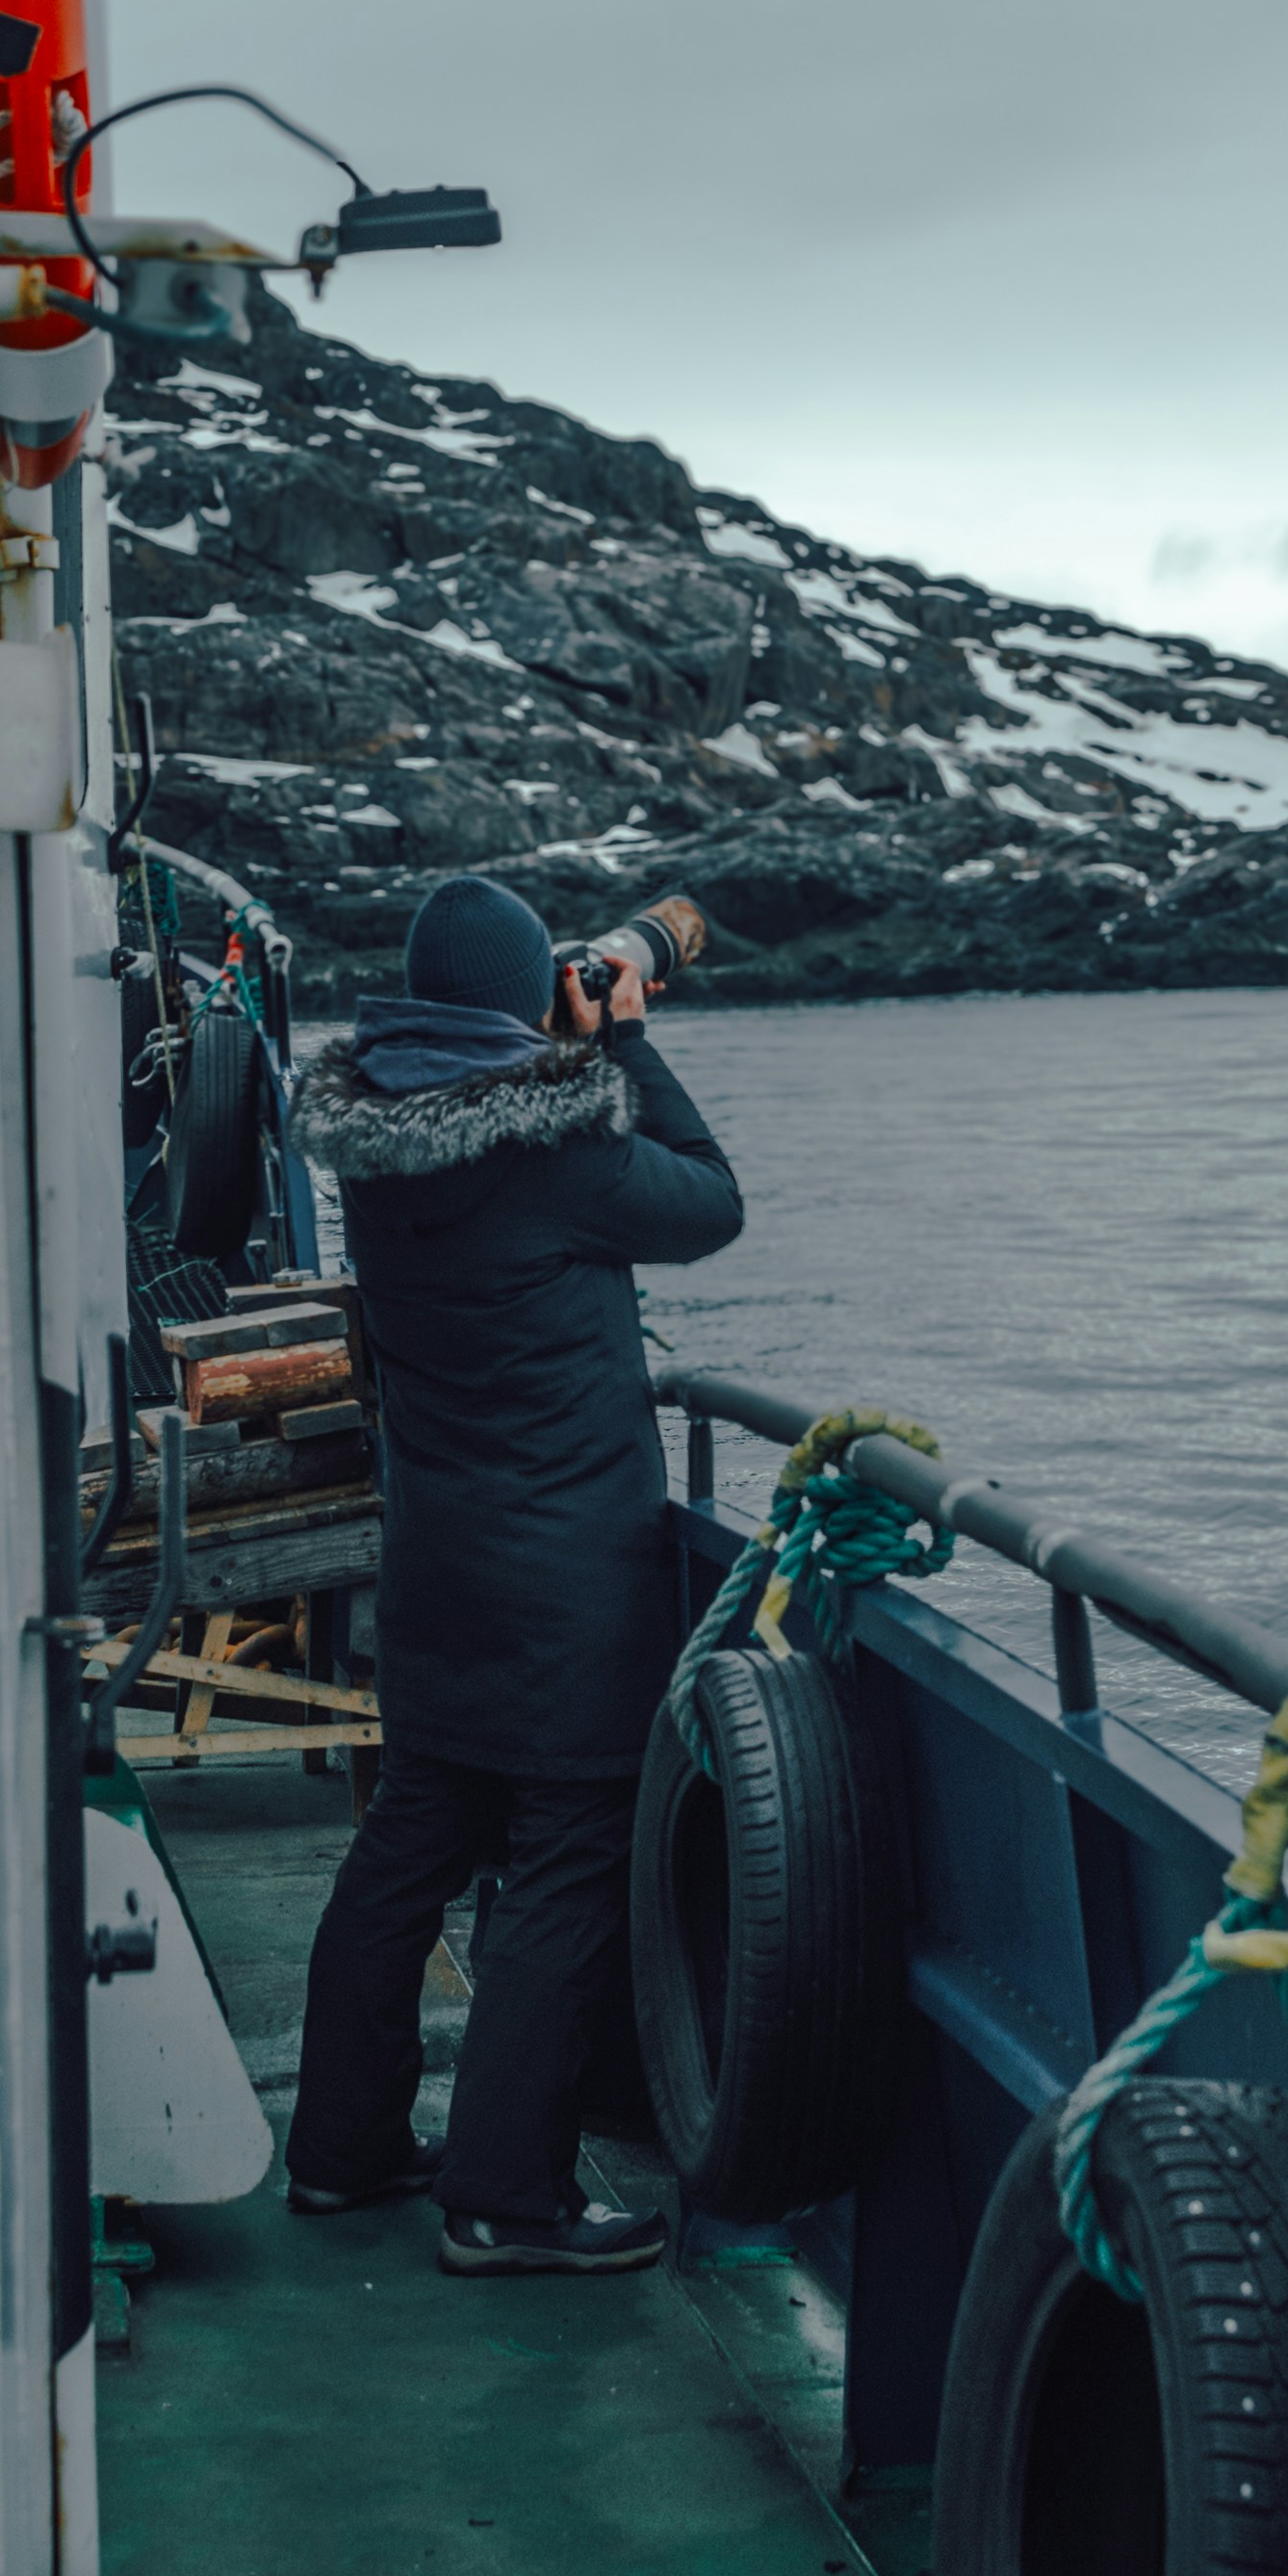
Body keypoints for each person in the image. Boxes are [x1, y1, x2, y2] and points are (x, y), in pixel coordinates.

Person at [282, 872, 743, 2274]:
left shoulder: (370, 1148)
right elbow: (711, 1203)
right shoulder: (558, 1148)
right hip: (562, 1579)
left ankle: (340, 2150)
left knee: (408, 1843)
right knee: (560, 1858)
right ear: (513, 1004)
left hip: (437, 1569)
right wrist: (623, 1039)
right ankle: (502, 2198)